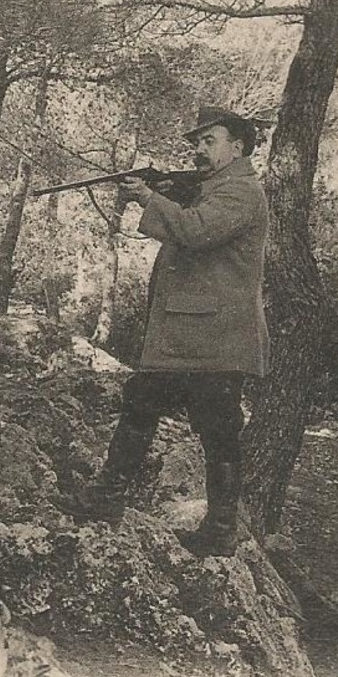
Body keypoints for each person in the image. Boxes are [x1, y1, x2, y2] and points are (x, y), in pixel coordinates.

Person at [63, 106, 270, 556]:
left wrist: (149, 199)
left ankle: (218, 528)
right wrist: (164, 191)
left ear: (237, 147)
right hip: (193, 331)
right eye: (195, 143)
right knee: (143, 402)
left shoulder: (241, 191)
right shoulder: (214, 187)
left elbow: (195, 231)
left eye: (208, 141)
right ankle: (108, 497)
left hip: (214, 336)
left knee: (217, 429)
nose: (198, 150)